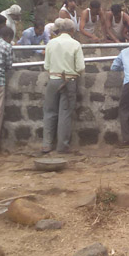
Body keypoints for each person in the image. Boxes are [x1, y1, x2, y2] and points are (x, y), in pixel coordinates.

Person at [42, 18, 85, 154]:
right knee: (65, 114)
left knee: (49, 112)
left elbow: (46, 66)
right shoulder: (75, 44)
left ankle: (47, 144)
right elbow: (80, 67)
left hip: (53, 79)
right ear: (72, 30)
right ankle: (62, 145)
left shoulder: (51, 43)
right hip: (69, 81)